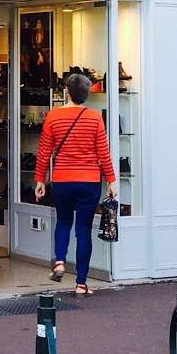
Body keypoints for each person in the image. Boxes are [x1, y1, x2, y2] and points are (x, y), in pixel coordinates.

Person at [33, 72, 116, 296]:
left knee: (63, 222)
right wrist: (111, 180)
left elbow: (44, 152)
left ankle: (60, 261)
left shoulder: (53, 116)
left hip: (62, 180)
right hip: (89, 181)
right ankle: (81, 283)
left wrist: (40, 179)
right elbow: (103, 152)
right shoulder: (94, 118)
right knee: (83, 231)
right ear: (86, 94)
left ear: (67, 92)